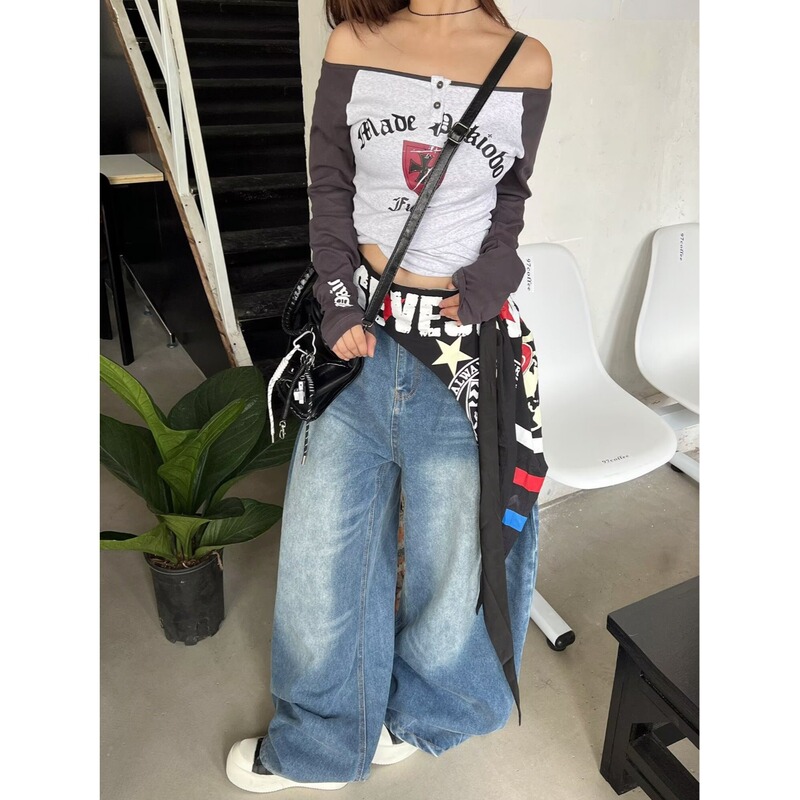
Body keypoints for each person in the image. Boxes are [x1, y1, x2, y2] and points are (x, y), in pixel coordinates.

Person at [227, 1, 553, 792]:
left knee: (455, 562)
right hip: (362, 333)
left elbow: (510, 198)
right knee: (321, 559)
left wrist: (497, 271)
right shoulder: (354, 42)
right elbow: (330, 184)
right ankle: (319, 745)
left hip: (466, 349)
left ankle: (420, 716)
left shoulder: (526, 61)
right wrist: (338, 301)